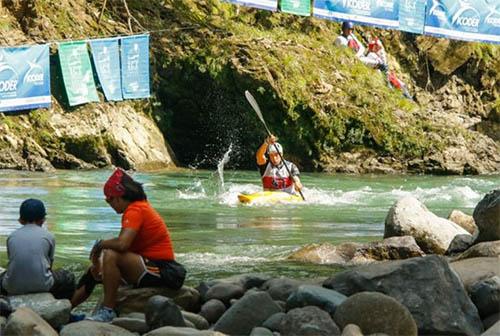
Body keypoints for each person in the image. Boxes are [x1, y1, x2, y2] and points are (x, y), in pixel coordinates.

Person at [71, 168, 186, 322]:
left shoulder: (136, 210)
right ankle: (66, 310)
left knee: (111, 255)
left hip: (163, 270)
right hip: (148, 266)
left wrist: (101, 245)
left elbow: (122, 244)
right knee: (94, 272)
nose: (108, 203)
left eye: (109, 199)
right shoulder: (138, 207)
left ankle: (108, 311)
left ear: (118, 197)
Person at [0, 199, 75, 300]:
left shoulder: (12, 237)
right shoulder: (48, 236)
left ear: (21, 220)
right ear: (43, 220)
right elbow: (49, 265)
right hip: (42, 286)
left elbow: (13, 263)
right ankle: (60, 306)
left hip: (12, 287)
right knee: (68, 277)